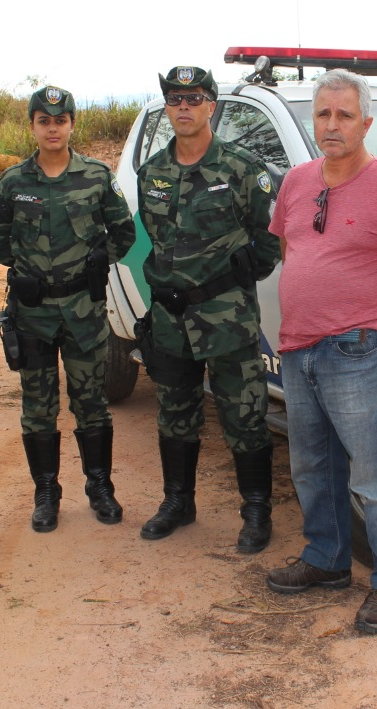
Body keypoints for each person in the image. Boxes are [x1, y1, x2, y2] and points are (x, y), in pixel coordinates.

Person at [265, 68, 377, 635]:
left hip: (355, 350)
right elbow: (292, 249)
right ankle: (326, 561)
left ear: (366, 122)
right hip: (298, 348)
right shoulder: (296, 182)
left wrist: (369, 314)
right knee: (312, 466)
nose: (331, 125)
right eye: (322, 114)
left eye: (343, 115)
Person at [136, 65, 281, 552]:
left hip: (227, 319)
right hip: (170, 320)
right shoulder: (151, 172)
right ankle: (178, 502)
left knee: (245, 414)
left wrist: (230, 284)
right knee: (174, 413)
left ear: (210, 106)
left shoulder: (242, 169)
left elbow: (268, 242)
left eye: (193, 99)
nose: (183, 107)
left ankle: (256, 511)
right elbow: (155, 244)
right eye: (175, 99)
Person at [0, 85, 135, 532]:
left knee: (91, 402)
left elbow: (123, 231)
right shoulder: (14, 182)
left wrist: (98, 259)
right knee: (38, 405)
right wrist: (20, 266)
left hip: (84, 308)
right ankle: (46, 492)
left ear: (72, 124)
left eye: (60, 120)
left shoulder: (96, 176)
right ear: (32, 125)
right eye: (44, 121)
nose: (53, 129)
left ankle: (100, 486)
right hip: (33, 311)